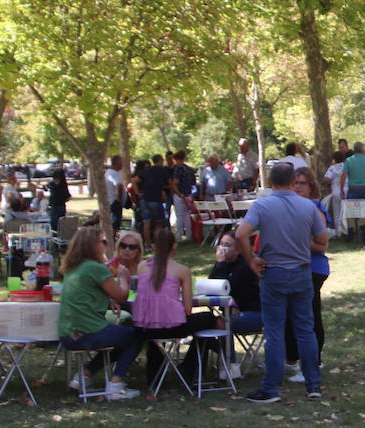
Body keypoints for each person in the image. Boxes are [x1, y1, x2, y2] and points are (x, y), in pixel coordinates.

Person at [236, 162, 328, 403]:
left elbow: (240, 233)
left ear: (270, 181)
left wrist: (250, 259)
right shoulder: (307, 207)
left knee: (275, 331)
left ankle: (271, 388)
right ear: (291, 181)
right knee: (305, 329)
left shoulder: (263, 205)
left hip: (273, 271)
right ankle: (313, 384)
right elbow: (322, 238)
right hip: (301, 271)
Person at [132, 228, 222, 395]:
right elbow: (188, 309)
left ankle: (156, 378)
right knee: (208, 318)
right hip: (171, 327)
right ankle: (195, 365)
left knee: (157, 334)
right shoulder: (181, 270)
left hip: (144, 326)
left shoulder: (142, 267)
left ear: (152, 246)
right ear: (174, 246)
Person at [58, 226, 140, 400]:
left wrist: (108, 300)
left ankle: (84, 376)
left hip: (68, 333)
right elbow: (123, 296)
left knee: (120, 337)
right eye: (103, 242)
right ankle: (115, 386)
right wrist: (123, 277)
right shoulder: (96, 268)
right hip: (87, 331)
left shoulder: (73, 267)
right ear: (92, 245)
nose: (106, 245)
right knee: (136, 336)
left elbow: (87, 293)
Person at [283, 168, 331, 383]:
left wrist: (296, 241)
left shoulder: (314, 208)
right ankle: (291, 359)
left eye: (301, 183)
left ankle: (312, 364)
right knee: (293, 315)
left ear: (311, 185)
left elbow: (322, 246)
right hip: (294, 268)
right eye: (294, 183)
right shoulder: (292, 207)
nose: (297, 187)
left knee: (309, 316)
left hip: (313, 268)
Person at [209, 233, 261, 376]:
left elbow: (226, 288)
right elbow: (211, 285)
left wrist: (220, 264)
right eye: (221, 244)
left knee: (221, 323)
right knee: (206, 321)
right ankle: (209, 363)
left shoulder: (245, 265)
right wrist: (219, 264)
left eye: (227, 245)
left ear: (238, 250)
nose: (223, 248)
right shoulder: (223, 264)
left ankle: (231, 365)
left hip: (253, 313)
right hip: (229, 313)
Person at [171, 151, 197, 240]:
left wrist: (178, 193)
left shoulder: (178, 169)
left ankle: (178, 236)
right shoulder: (190, 169)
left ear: (177, 159)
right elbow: (193, 183)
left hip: (180, 195)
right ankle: (189, 235)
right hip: (188, 195)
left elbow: (175, 182)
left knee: (179, 216)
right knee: (187, 215)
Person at [105, 155, 127, 232]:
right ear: (117, 163)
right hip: (114, 201)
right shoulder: (113, 173)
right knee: (115, 223)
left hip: (110, 200)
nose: (122, 165)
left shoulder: (110, 172)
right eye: (121, 163)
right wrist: (118, 199)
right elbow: (118, 185)